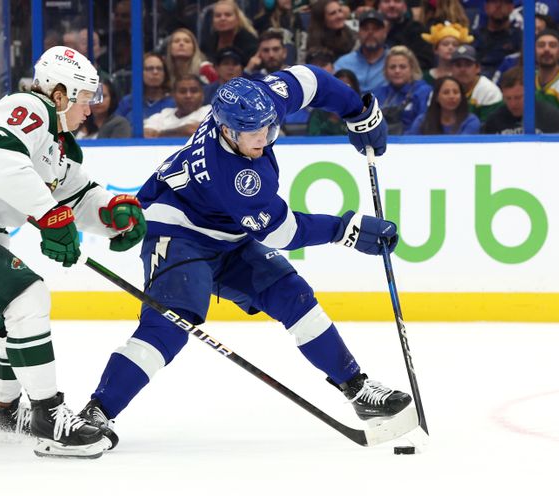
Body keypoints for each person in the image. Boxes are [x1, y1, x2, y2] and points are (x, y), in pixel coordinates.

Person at [77, 68, 413, 450]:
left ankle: (357, 388)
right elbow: (284, 233)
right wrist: (346, 229)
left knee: (293, 294)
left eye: (269, 129)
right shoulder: (233, 177)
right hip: (177, 231)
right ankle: (97, 412)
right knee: (171, 324)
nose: (264, 139)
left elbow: (310, 79)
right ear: (226, 130)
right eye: (253, 133)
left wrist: (358, 111)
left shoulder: (261, 104)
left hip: (229, 234)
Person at [0, 46, 147, 459]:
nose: (89, 109)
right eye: (85, 99)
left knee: (2, 318)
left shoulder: (55, 144)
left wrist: (112, 216)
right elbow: (1, 161)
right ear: (59, 93)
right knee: (27, 296)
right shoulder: (28, 107)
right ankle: (48, 416)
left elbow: (80, 196)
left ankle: (4, 411)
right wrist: (51, 217)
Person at [482, 66, 559, 133]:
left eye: (518, 98)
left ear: (531, 94)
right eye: (508, 98)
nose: (513, 104)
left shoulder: (550, 116)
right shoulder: (494, 120)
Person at [373, 46, 432, 134]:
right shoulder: (378, 93)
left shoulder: (423, 92)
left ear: (412, 69)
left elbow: (424, 124)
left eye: (402, 67)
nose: (397, 71)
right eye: (392, 67)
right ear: (386, 70)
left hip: (412, 143)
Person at [334, 9, 389, 92]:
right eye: (365, 29)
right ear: (358, 32)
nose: (370, 32)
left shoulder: (395, 63)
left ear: (385, 32)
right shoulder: (343, 64)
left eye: (376, 29)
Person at [407, 75, 480, 134]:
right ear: (436, 97)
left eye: (456, 92)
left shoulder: (470, 121)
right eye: (446, 92)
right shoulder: (422, 121)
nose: (452, 96)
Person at [144, 74, 211, 137]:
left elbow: (193, 130)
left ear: (202, 94)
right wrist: (183, 130)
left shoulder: (210, 111)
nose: (188, 95)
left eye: (194, 91)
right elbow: (147, 134)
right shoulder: (163, 115)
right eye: (182, 91)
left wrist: (160, 134)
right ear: (173, 95)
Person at [115, 52, 175, 120]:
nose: (155, 72)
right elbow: (116, 127)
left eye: (159, 68)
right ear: (139, 72)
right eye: (149, 69)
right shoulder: (128, 102)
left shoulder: (174, 102)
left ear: (165, 74)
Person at [377, 0, 435, 72]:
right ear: (379, 6)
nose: (392, 5)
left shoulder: (417, 29)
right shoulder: (369, 29)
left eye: (397, 1)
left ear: (405, 7)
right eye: (386, 1)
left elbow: (425, 61)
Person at [450, 44, 503, 121]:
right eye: (458, 65)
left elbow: (488, 128)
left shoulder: (489, 91)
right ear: (451, 69)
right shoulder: (444, 87)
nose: (462, 69)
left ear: (478, 68)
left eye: (468, 65)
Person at [473, 0, 521, 79]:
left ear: (511, 8)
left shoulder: (519, 37)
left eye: (504, 2)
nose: (498, 6)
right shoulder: (475, 36)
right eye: (494, 1)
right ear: (486, 7)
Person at [421, 21, 475, 86]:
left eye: (455, 45)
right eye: (445, 44)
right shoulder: (425, 77)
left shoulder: (462, 76)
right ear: (436, 49)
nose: (450, 47)